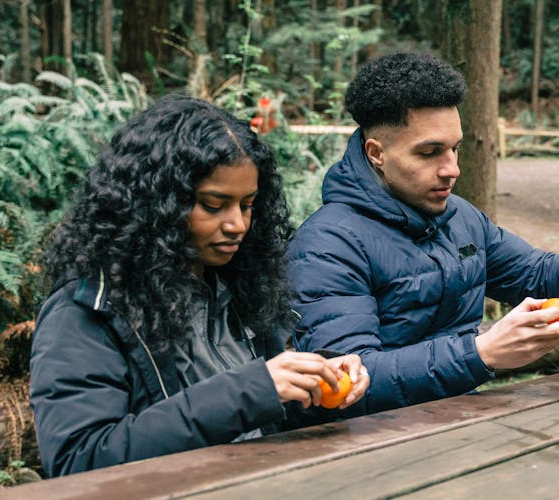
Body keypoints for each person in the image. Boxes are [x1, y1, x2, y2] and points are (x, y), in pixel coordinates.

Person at [285, 52, 559, 416]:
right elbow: (346, 381)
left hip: (462, 421)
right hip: (361, 447)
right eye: (429, 152)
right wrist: (480, 352)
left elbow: (538, 278)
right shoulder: (326, 245)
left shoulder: (461, 218)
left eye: (454, 149)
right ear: (376, 153)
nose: (452, 169)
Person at [29, 95, 369, 478]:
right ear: (157, 203)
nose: (237, 224)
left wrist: (315, 385)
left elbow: (255, 419)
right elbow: (80, 461)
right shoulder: (87, 309)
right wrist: (253, 389)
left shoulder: (239, 285)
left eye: (247, 204)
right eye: (213, 205)